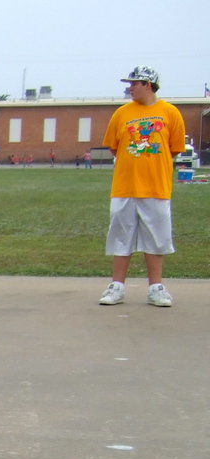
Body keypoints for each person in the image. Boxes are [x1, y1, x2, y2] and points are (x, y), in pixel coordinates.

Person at [98, 65, 186, 308]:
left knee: (156, 238)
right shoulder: (121, 114)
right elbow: (115, 147)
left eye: (134, 83)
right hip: (124, 187)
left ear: (148, 84)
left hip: (156, 188)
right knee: (120, 236)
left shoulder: (170, 113)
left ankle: (156, 287)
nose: (130, 88)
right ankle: (117, 286)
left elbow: (174, 149)